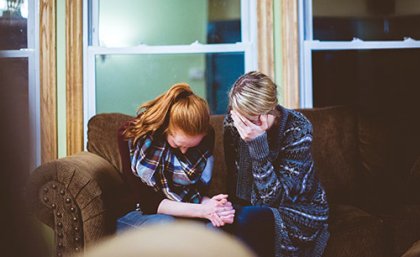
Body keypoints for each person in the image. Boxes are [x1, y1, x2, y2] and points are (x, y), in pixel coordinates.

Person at [223, 71, 329, 257]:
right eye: (240, 116)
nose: (243, 124)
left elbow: (273, 201)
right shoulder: (234, 123)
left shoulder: (298, 128)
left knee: (249, 219)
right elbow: (239, 188)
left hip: (298, 209)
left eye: (250, 118)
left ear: (269, 110)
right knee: (223, 222)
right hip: (253, 206)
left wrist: (258, 145)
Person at [117, 83, 235, 231]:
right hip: (138, 212)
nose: (184, 152)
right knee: (168, 226)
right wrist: (204, 211)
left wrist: (215, 206)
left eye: (191, 146)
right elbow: (148, 203)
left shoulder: (207, 137)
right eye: (178, 144)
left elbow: (196, 193)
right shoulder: (131, 136)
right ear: (166, 128)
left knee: (217, 228)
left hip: (183, 210)